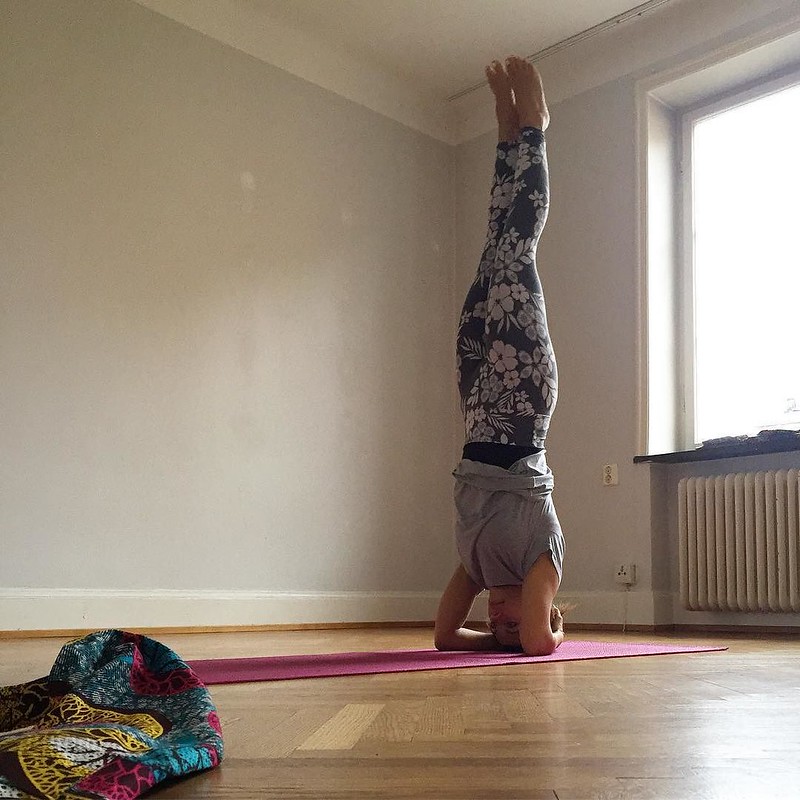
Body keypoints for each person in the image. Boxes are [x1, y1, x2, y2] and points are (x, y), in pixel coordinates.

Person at [434, 56, 565, 656]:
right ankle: (534, 128)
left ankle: (506, 136)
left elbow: (441, 640)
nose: (503, 620)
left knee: (493, 254)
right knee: (517, 253)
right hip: (523, 406)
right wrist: (549, 631)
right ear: (547, 604)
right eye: (516, 621)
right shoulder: (544, 561)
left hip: (479, 410)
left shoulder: (477, 567)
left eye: (497, 625)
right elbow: (538, 645)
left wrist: (482, 637)